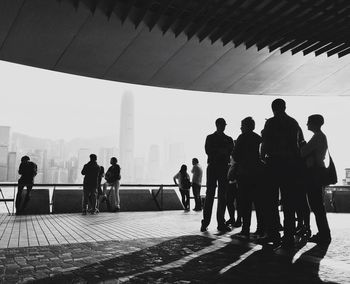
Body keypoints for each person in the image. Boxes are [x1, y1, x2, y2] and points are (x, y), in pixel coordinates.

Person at [260, 99, 304, 248]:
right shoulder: (293, 123)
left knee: (271, 201)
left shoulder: (270, 123)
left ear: (273, 108)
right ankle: (289, 236)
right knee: (289, 202)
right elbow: (299, 145)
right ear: (285, 107)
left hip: (273, 165)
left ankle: (273, 235)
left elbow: (265, 144)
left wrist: (263, 157)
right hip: (290, 166)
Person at [301, 114, 331, 245]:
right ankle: (324, 233)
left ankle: (324, 233)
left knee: (316, 205)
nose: (307, 124)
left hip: (314, 173)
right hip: (318, 172)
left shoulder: (317, 137)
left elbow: (303, 152)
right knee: (318, 205)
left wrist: (301, 145)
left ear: (314, 123)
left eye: (308, 122)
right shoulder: (320, 136)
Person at [201, 118, 234, 232]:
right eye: (222, 125)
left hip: (215, 166)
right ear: (217, 125)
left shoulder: (211, 138)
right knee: (216, 195)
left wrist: (218, 151)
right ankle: (216, 222)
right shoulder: (227, 139)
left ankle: (210, 222)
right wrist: (222, 151)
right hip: (220, 167)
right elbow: (210, 150)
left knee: (216, 195)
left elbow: (210, 151)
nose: (223, 127)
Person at [233, 117, 263, 238]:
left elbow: (235, 154)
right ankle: (260, 228)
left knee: (245, 203)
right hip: (257, 174)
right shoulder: (258, 138)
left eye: (242, 125)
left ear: (246, 126)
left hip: (244, 174)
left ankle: (245, 229)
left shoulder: (242, 138)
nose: (240, 127)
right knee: (258, 203)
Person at [226, 154, 242, 228]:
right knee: (231, 202)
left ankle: (237, 220)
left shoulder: (236, 164)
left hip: (235, 185)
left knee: (237, 203)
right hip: (232, 185)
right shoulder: (233, 164)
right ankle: (234, 219)